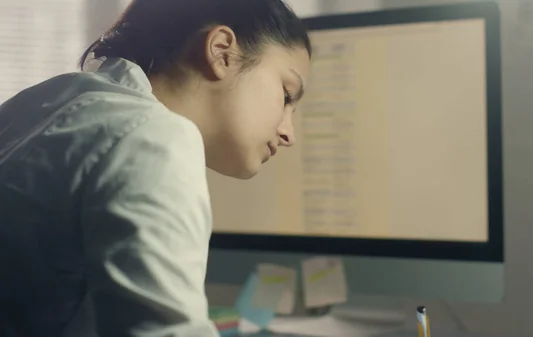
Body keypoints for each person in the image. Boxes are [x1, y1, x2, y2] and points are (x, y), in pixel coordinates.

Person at [0, 0, 311, 336]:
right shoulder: (152, 136)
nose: (288, 133)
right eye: (286, 95)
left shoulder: (40, 101)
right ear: (222, 52)